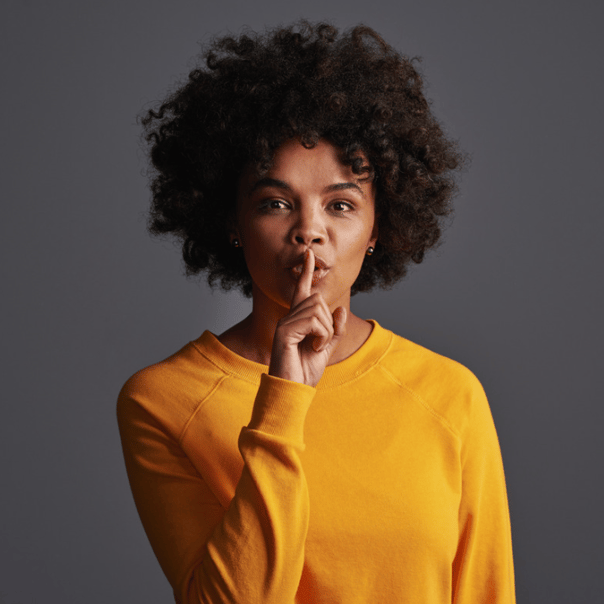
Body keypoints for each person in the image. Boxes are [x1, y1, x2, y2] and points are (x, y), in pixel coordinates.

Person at [117, 21, 516, 604]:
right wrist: (283, 398)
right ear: (231, 222)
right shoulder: (162, 400)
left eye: (341, 204)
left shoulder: (450, 395)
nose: (310, 231)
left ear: (378, 225)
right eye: (275, 203)